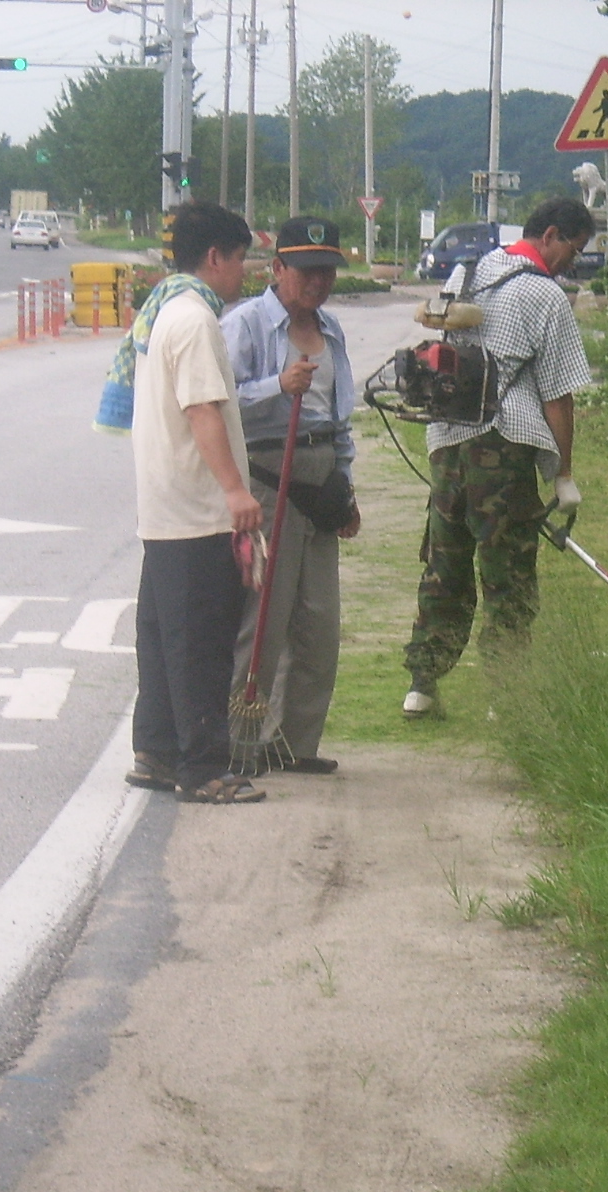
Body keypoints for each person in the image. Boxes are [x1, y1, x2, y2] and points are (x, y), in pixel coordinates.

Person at [400, 195, 595, 719]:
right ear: (550, 236)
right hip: (503, 444)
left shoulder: (467, 273)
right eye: (573, 249)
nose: (571, 262)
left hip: (446, 439)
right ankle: (505, 694)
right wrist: (563, 473)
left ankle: (422, 685)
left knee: (445, 562)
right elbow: (558, 395)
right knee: (507, 570)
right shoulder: (545, 294)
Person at [121, 201, 266, 805]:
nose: (245, 275)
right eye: (241, 260)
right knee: (202, 647)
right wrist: (235, 490)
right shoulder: (196, 320)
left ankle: (156, 751)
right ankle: (203, 769)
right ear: (215, 257)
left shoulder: (162, 312)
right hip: (199, 513)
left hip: (163, 511)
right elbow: (202, 409)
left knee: (162, 642)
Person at [222, 213, 360, 775]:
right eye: (306, 271)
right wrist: (276, 386)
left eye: (327, 271)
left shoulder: (332, 330)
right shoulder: (246, 324)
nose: (318, 282)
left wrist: (345, 487)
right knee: (263, 621)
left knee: (318, 623)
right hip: (268, 476)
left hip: (321, 477)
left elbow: (339, 415)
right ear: (278, 268)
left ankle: (294, 744)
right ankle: (237, 744)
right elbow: (217, 401)